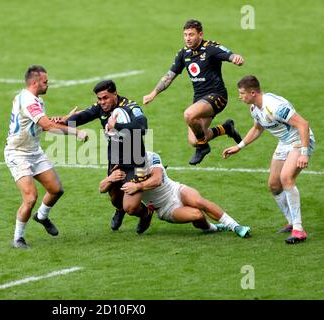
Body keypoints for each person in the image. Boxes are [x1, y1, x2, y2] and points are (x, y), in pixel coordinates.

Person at [222, 75, 315, 244]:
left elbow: (303, 124)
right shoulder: (254, 109)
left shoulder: (275, 107)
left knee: (286, 178)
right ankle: (291, 221)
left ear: (253, 92)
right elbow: (257, 128)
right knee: (274, 185)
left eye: (242, 93)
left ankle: (298, 230)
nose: (240, 96)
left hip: (299, 141)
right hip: (284, 143)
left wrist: (303, 152)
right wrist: (239, 146)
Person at [4, 65, 88, 249]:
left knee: (56, 189)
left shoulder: (34, 100)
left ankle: (41, 216)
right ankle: (18, 238)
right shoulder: (29, 101)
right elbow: (48, 127)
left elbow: (42, 122)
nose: (48, 84)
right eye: (45, 82)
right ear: (35, 82)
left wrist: (64, 117)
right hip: (18, 154)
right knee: (30, 197)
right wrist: (76, 132)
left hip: (34, 151)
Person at [143, 19, 244, 165]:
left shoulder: (211, 48)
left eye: (191, 34)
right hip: (200, 100)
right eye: (185, 35)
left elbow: (229, 55)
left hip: (217, 96)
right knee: (194, 140)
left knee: (189, 114)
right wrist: (153, 93)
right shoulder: (184, 53)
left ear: (200, 34)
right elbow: (169, 76)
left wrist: (235, 58)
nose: (187, 38)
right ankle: (226, 128)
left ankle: (203, 148)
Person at [57, 80, 153, 234]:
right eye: (99, 99)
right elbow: (81, 117)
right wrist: (63, 120)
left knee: (131, 207)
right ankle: (119, 209)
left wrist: (117, 126)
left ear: (115, 93)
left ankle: (146, 214)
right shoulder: (100, 108)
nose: (102, 102)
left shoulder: (130, 107)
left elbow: (142, 128)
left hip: (135, 161)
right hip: (115, 160)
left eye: (105, 98)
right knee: (115, 198)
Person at [112, 151, 251, 237]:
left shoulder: (151, 156)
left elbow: (157, 180)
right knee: (197, 215)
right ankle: (213, 228)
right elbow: (102, 188)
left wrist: (138, 186)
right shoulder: (124, 168)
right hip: (166, 208)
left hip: (175, 190)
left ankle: (235, 226)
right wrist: (109, 179)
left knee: (199, 202)